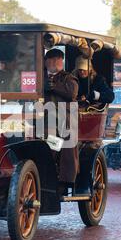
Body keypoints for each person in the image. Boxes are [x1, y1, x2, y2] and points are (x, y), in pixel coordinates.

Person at [43, 49, 81, 195]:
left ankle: (64, 182)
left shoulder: (67, 78)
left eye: (58, 59)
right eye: (52, 59)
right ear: (46, 62)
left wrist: (53, 87)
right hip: (41, 121)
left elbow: (72, 93)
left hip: (63, 122)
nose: (55, 62)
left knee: (63, 147)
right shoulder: (40, 78)